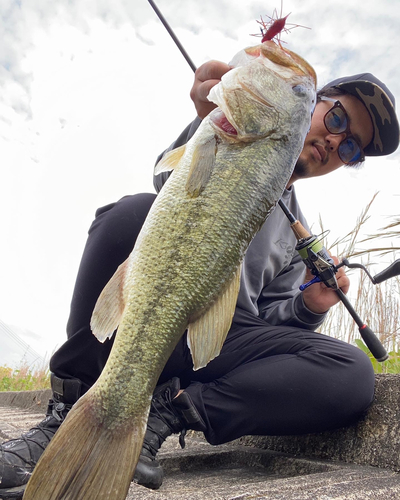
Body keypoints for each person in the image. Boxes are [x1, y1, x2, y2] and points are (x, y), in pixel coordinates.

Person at [0, 59, 399, 499]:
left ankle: (165, 414)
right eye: (337, 118)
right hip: (151, 317)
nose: (335, 141)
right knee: (129, 214)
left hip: (210, 349)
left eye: (351, 149)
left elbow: (267, 324)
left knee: (353, 372)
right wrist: (205, 119)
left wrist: (308, 307)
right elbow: (166, 178)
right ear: (313, 107)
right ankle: (70, 407)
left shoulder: (296, 235)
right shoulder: (222, 132)